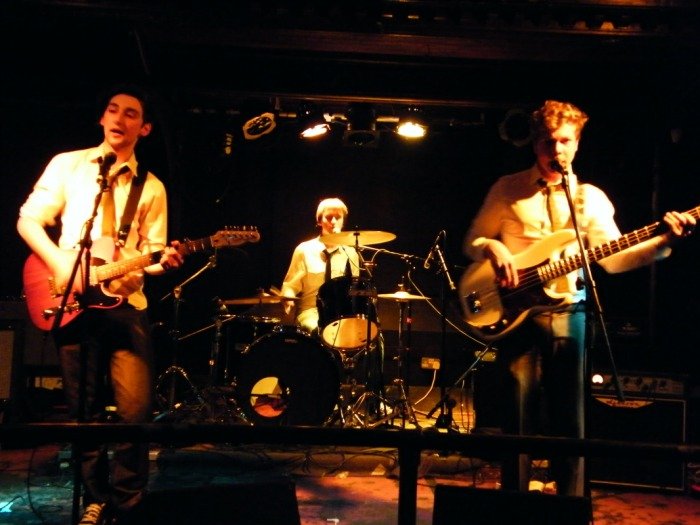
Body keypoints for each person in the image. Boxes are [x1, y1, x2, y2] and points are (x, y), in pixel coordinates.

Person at [462, 99, 696, 497]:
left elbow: (614, 260)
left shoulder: (590, 198)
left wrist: (665, 242)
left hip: (569, 309)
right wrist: (492, 247)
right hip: (515, 310)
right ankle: (514, 502)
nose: (556, 150)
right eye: (548, 142)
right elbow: (472, 241)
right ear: (535, 143)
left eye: (565, 141)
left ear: (577, 143)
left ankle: (570, 503)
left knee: (570, 416)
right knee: (518, 413)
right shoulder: (508, 188)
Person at [17, 83, 183, 525]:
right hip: (71, 297)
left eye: (131, 113)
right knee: (83, 412)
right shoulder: (68, 165)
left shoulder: (152, 188)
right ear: (102, 118)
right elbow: (29, 219)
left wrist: (161, 261)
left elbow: (152, 254)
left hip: (127, 306)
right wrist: (60, 263)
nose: (119, 118)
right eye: (113, 109)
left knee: (135, 411)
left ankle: (128, 501)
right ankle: (95, 497)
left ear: (144, 128)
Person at [280, 197, 385, 418]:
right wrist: (287, 298)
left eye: (338, 217)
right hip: (312, 311)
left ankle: (375, 400)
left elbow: (355, 289)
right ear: (319, 220)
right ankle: (324, 397)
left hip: (343, 313)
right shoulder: (304, 250)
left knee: (376, 338)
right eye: (329, 217)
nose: (333, 221)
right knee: (318, 332)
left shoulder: (351, 252)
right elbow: (290, 285)